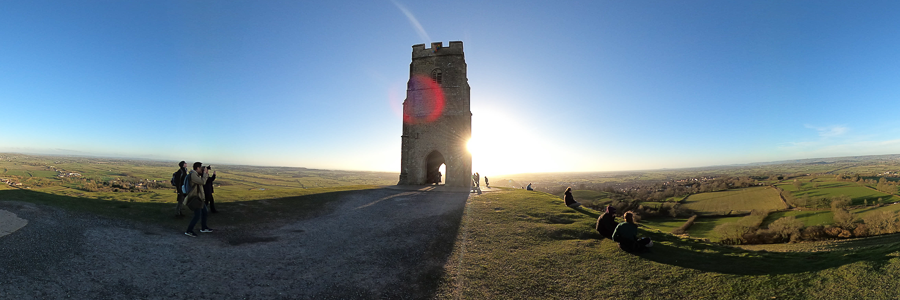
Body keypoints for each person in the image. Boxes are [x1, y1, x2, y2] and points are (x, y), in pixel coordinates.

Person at [184, 162, 213, 237]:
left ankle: (204, 228)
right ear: (197, 168)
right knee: (197, 215)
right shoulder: (193, 175)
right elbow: (203, 182)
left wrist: (205, 171)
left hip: (199, 198)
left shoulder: (195, 174)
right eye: (201, 168)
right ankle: (189, 230)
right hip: (195, 198)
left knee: (205, 212)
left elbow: (202, 178)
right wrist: (205, 173)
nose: (201, 169)